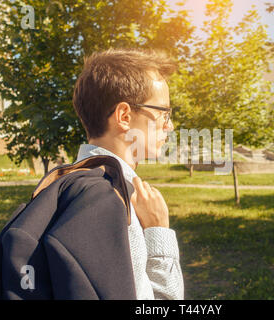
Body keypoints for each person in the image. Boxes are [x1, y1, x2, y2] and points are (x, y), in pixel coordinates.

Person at [72, 47, 184, 300]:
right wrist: (158, 231)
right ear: (124, 116)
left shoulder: (65, 181)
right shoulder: (113, 200)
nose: (170, 125)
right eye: (163, 113)